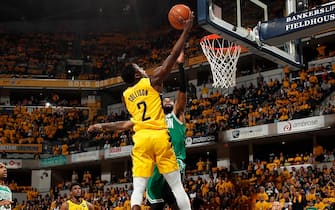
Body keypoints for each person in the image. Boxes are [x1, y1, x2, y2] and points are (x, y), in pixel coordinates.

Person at [88, 12, 193, 210]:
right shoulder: (152, 82)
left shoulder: (126, 96)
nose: (144, 69)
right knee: (177, 187)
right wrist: (186, 30)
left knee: (138, 188)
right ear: (138, 74)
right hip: (159, 137)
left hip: (141, 139)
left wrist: (101, 125)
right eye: (141, 68)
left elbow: (127, 124)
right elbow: (171, 57)